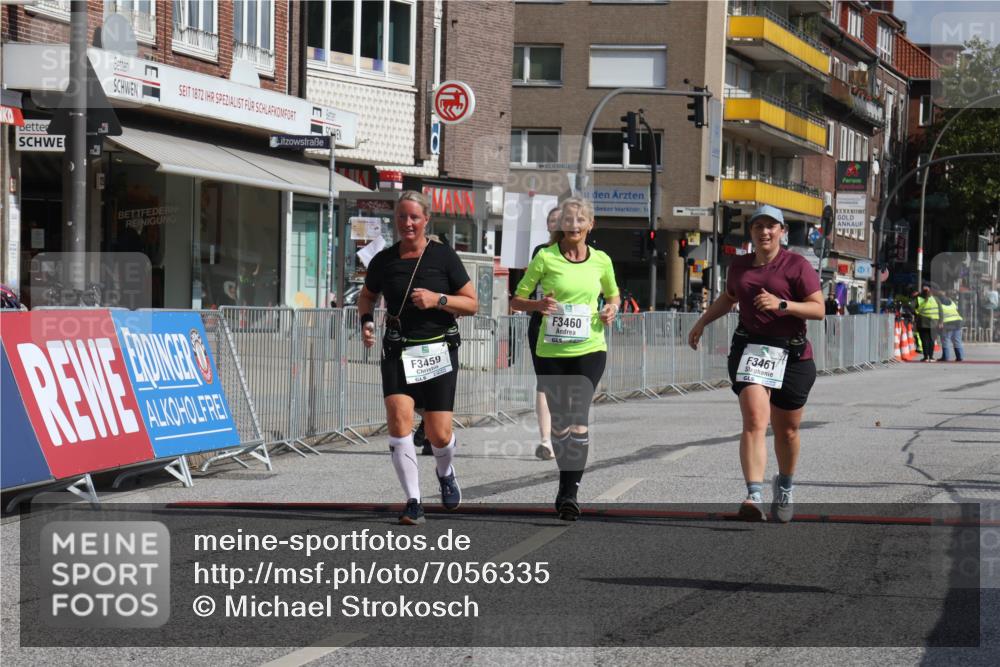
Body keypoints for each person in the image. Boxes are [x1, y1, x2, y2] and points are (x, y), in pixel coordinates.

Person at [687, 205, 824, 523]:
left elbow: (818, 309)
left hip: (791, 354)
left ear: (782, 231)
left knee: (787, 431)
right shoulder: (740, 266)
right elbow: (729, 297)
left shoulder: (797, 265)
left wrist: (782, 304)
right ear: (751, 232)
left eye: (771, 226)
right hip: (751, 350)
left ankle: (785, 485)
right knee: (754, 421)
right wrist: (702, 322)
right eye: (758, 226)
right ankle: (754, 495)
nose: (765, 232)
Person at [358, 191, 479, 525]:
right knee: (399, 420)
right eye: (401, 217)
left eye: (414, 217)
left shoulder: (444, 257)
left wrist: (439, 299)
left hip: (438, 350)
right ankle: (413, 501)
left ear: (426, 219)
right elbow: (366, 296)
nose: (407, 223)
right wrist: (367, 322)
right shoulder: (384, 260)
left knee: (439, 434)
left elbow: (471, 303)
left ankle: (445, 472)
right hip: (398, 349)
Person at [511, 197, 621, 521]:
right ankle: (565, 485)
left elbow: (613, 295)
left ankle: (570, 493)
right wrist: (537, 305)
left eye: (580, 220)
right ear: (561, 225)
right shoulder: (545, 257)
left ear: (590, 225)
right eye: (568, 220)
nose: (574, 225)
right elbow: (517, 300)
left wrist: (611, 309)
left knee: (577, 417)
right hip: (552, 351)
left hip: (590, 348)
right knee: (560, 424)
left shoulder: (601, 260)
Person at [527, 206, 563, 461]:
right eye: (551, 221)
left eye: (559, 221)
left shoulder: (586, 254)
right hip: (543, 323)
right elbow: (528, 288)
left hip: (573, 327)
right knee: (544, 381)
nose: (555, 225)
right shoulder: (540, 252)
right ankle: (545, 441)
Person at [913, 285, 940, 362]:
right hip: (933, 323)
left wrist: (916, 315)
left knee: (924, 340)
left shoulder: (918, 299)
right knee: (931, 340)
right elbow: (940, 310)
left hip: (922, 323)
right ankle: (931, 357)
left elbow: (913, 308)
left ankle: (925, 357)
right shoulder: (936, 299)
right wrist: (940, 321)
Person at [938, 291, 964, 362]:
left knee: (946, 340)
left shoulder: (939, 304)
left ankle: (945, 357)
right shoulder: (952, 302)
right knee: (957, 340)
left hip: (947, 324)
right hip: (957, 322)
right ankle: (960, 357)